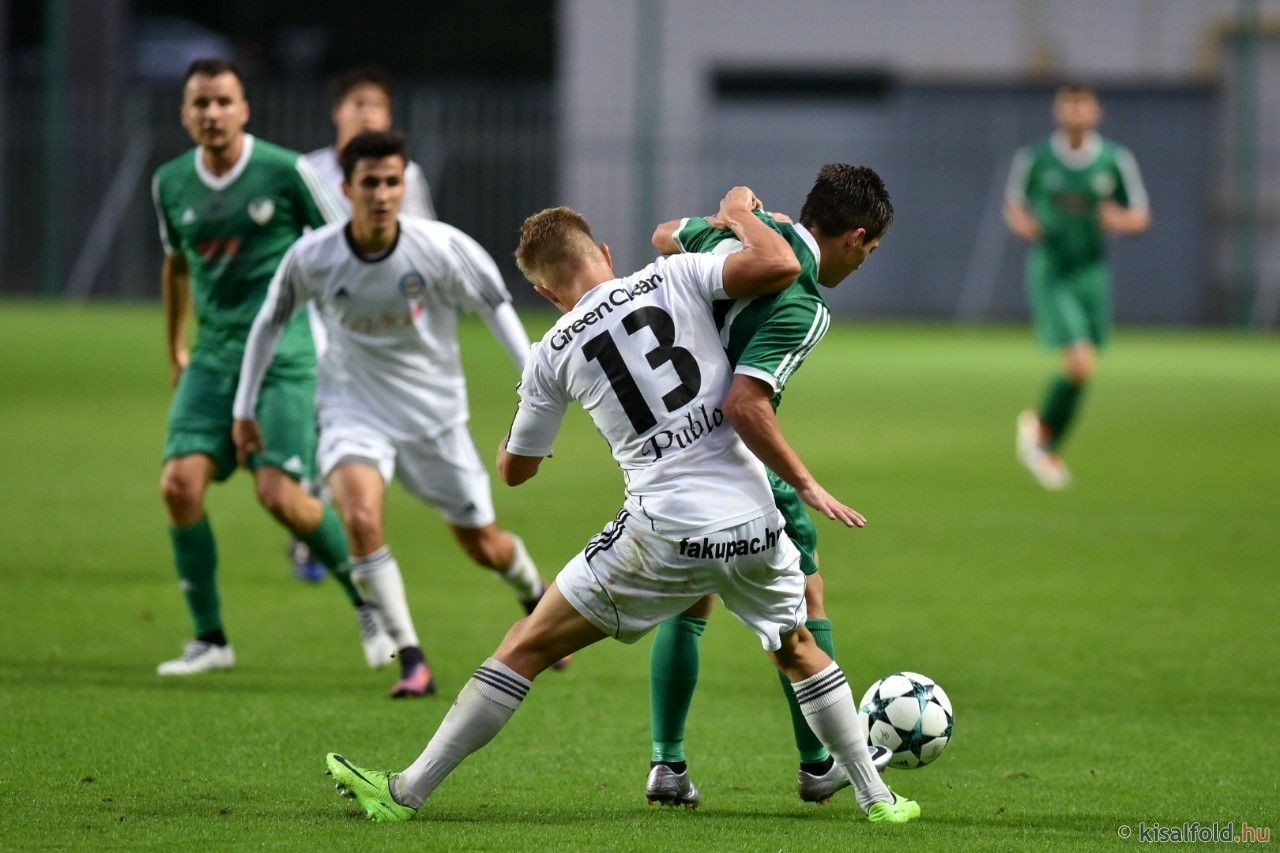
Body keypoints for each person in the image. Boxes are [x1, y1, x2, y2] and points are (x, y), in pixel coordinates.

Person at [323, 194, 920, 824]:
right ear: (605, 254)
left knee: (525, 645)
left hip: (662, 528)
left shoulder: (552, 349)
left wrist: (516, 438)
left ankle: (405, 792)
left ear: (547, 292)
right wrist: (737, 211)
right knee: (797, 646)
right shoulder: (673, 275)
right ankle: (876, 799)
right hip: (751, 515)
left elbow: (516, 471)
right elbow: (773, 265)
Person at [233, 131, 560, 698]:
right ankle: (411, 659)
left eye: (392, 183)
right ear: (347, 189)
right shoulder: (314, 255)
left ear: (404, 185)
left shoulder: (439, 247)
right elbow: (269, 321)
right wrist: (244, 409)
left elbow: (495, 305)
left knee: (483, 543)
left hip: (434, 420)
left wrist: (536, 383)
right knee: (360, 518)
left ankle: (530, 587)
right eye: (370, 184)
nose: (383, 194)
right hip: (352, 411)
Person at [645, 164, 894, 805]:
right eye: (868, 250)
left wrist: (733, 214)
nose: (863, 262)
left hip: (670, 447)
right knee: (805, 596)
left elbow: (666, 234)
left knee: (690, 600)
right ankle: (821, 762)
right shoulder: (806, 303)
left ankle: (667, 765)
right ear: (854, 235)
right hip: (735, 460)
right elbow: (746, 404)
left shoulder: (752, 239)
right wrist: (806, 483)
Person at [150, 58, 394, 675]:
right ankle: (210, 639)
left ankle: (370, 607)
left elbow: (342, 246)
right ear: (185, 114)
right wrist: (176, 346)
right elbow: (177, 265)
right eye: (199, 103)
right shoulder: (171, 182)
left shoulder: (284, 172)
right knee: (179, 486)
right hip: (212, 358)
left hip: (284, 357)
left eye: (222, 102)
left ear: (243, 109)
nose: (211, 113)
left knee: (281, 497)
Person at [287, 66, 438, 583]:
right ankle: (313, 526)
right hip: (320, 315)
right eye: (357, 104)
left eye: (376, 105)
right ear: (338, 112)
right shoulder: (306, 171)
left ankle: (334, 526)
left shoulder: (407, 175)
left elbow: (423, 241)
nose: (366, 113)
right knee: (323, 419)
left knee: (364, 425)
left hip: (380, 320)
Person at [1004, 84, 1151, 489]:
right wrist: (1024, 225)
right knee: (1081, 362)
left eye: (1083, 103)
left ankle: (1044, 439)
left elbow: (1140, 215)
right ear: (1058, 109)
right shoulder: (1035, 158)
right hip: (1052, 270)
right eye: (1068, 103)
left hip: (1091, 273)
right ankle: (1040, 434)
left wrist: (1117, 220)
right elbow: (1014, 205)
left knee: (1086, 370)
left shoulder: (1113, 160)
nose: (1075, 111)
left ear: (1096, 111)